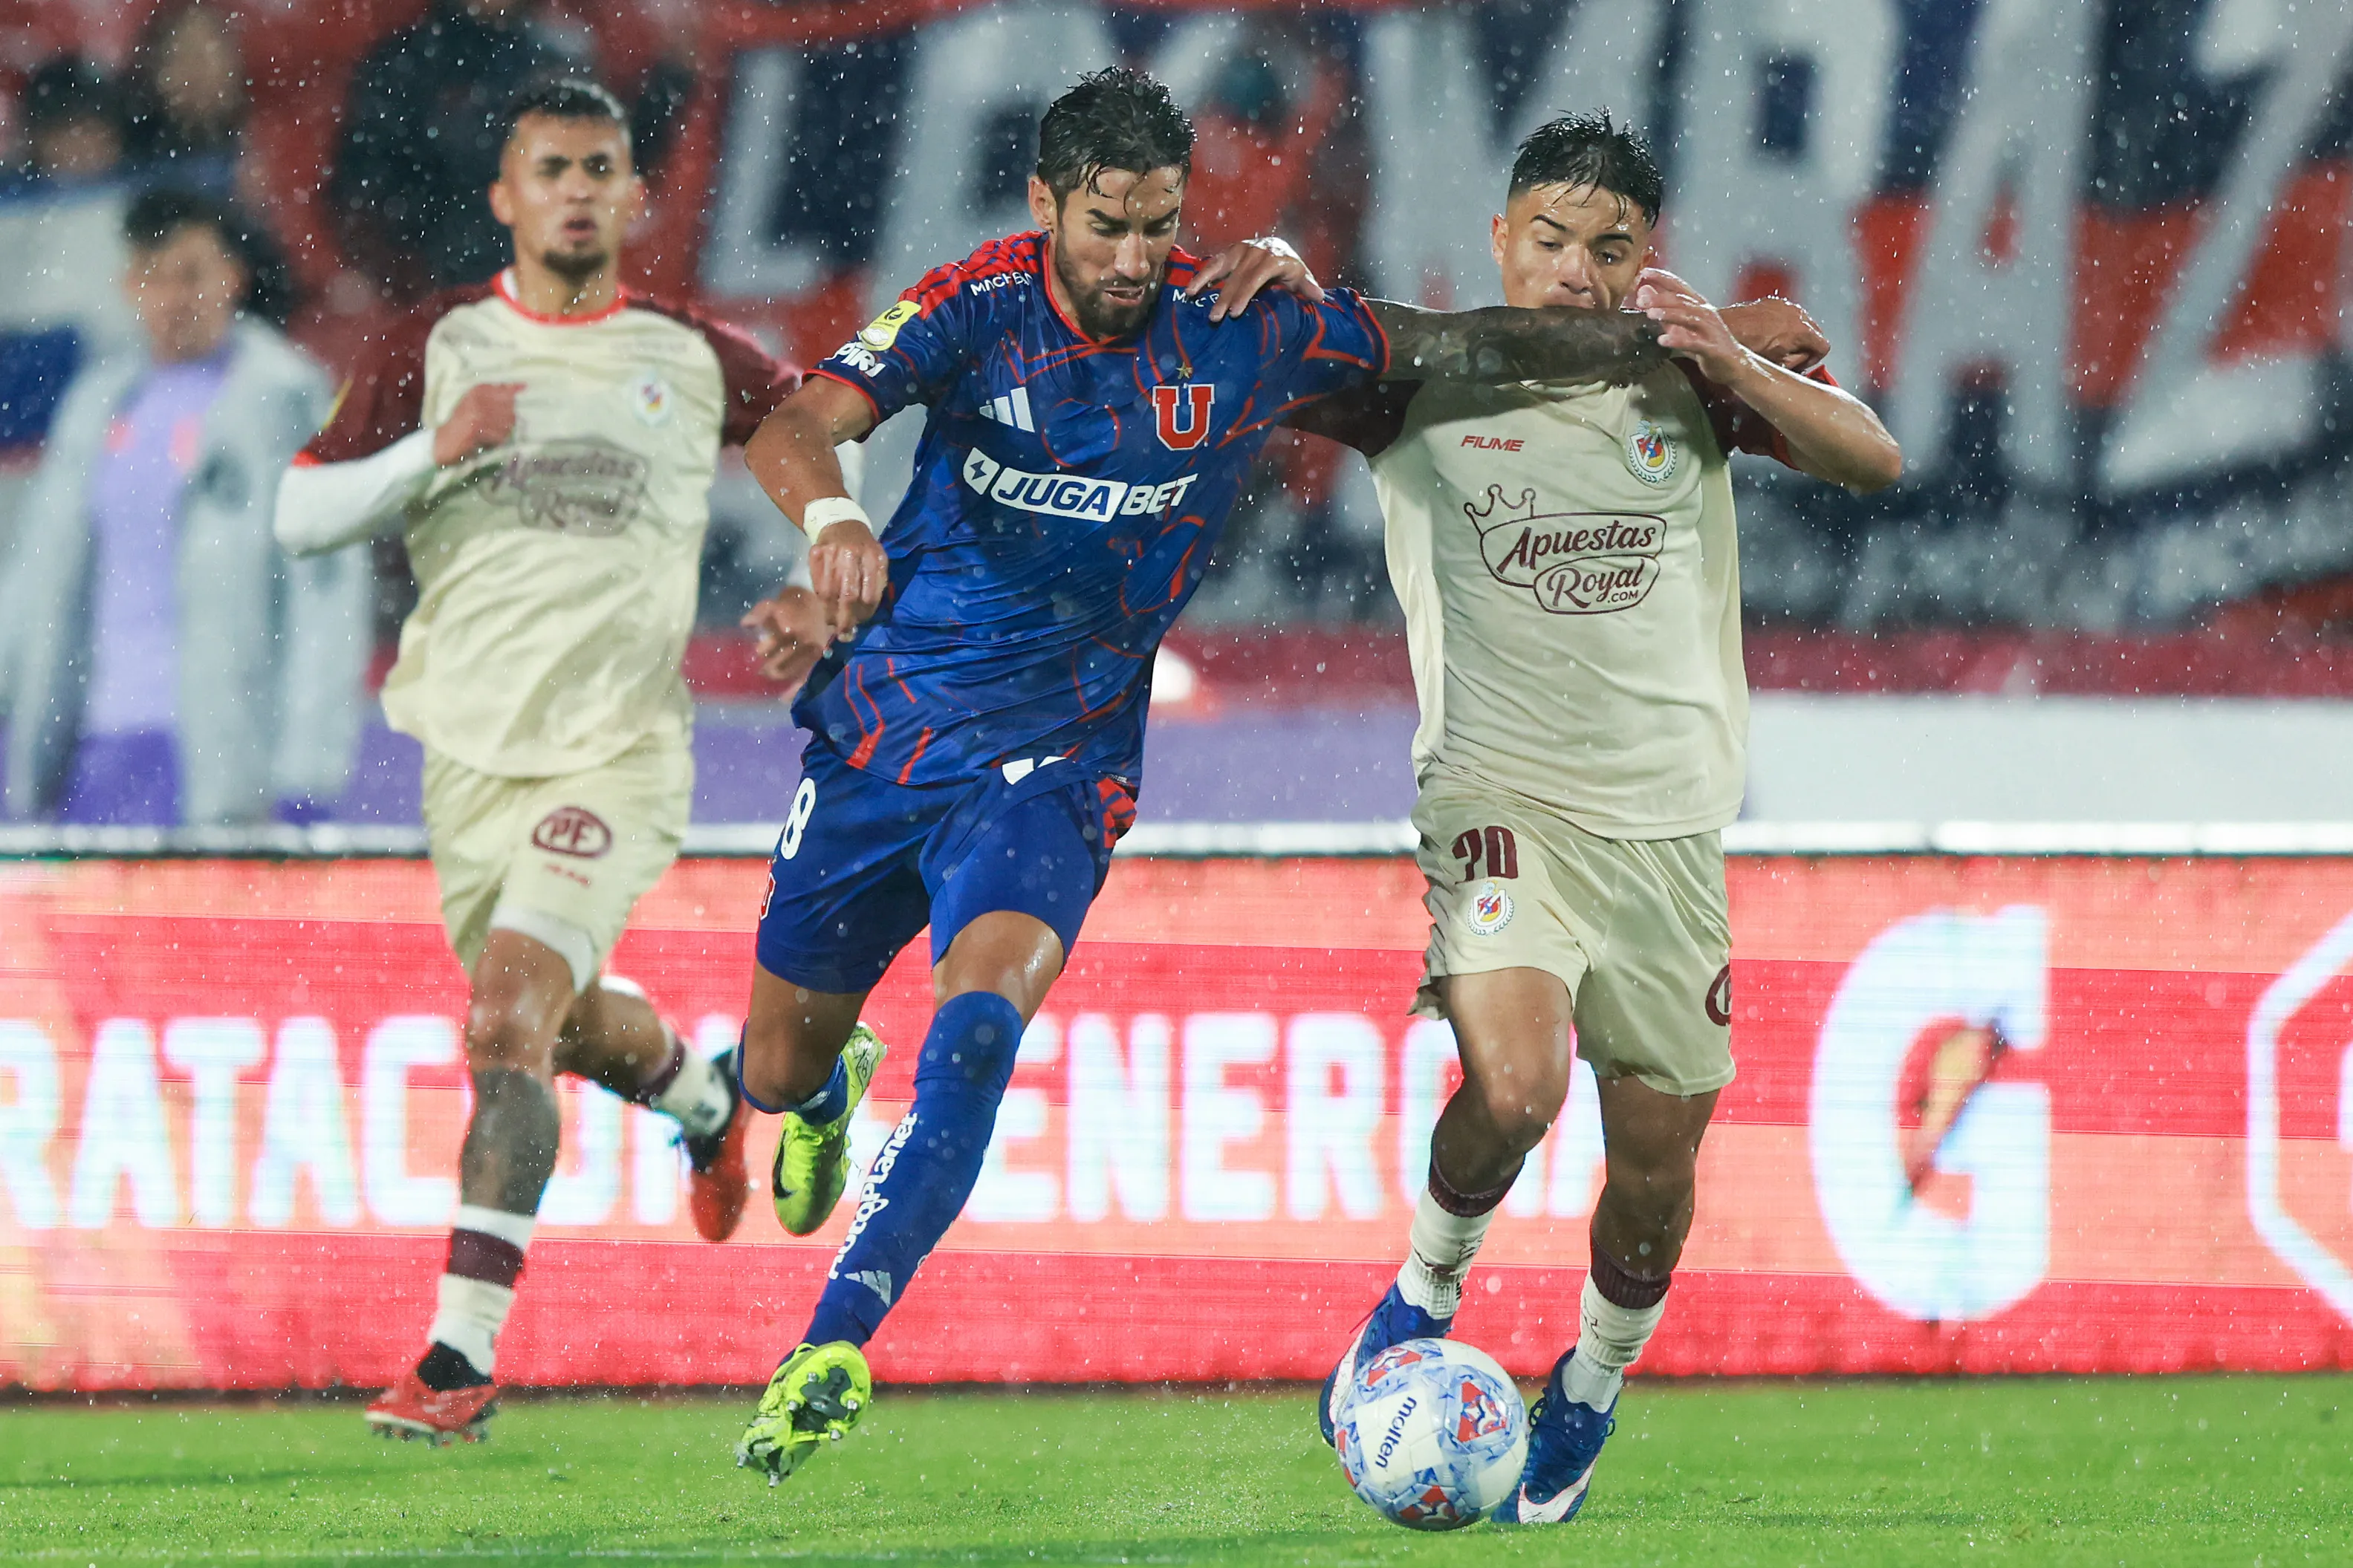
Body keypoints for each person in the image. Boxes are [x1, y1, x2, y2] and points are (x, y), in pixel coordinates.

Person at [726, 65, 1712, 1486]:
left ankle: (835, 1334)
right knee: (774, 1065)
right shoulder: (974, 306)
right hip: (886, 735)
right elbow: (793, 417)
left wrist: (1715, 339)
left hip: (1056, 765)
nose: (1133, 258)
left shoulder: (1243, 326)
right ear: (1043, 204)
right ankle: (819, 1095)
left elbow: (1462, 347)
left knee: (984, 1024)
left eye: (1157, 224)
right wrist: (829, 517)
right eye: (1105, 225)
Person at [1291, 112, 1902, 1523]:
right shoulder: (1424, 385)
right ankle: (1420, 1293)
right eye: (1550, 241)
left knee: (1652, 1176)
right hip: (1499, 799)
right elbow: (1278, 370)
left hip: (1671, 830)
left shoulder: (1686, 382)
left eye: (1608, 248)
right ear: (1500, 242)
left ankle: (1591, 1387)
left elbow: (1873, 460)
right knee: (1514, 1087)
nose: (1575, 270)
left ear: (1646, 262)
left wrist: (1735, 353)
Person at [273, 77, 811, 1445]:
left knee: (506, 1015)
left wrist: (828, 567)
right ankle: (699, 1094)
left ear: (633, 198)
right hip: (466, 760)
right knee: (554, 1027)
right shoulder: (434, 344)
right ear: (507, 197)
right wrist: (428, 456)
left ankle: (457, 1363)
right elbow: (297, 513)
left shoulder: (695, 353)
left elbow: (824, 435)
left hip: (614, 756)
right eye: (551, 168)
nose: (578, 189)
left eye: (600, 168)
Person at [0, 188, 364, 826]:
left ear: (232, 277)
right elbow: (37, 580)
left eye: (191, 274)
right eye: (153, 276)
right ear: (127, 285)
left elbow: (326, 595)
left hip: (222, 757)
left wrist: (309, 763)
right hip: (96, 749)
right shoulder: (95, 407)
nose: (174, 297)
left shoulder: (285, 402)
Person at [328, 0, 689, 301]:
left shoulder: (558, 54)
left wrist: (670, 79)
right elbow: (362, 192)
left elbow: (612, 161)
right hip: (445, 292)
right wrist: (412, 278)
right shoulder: (410, 62)